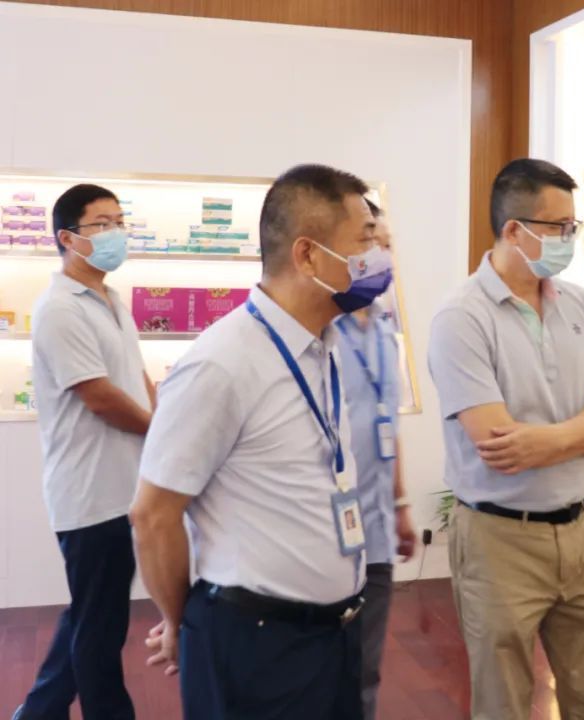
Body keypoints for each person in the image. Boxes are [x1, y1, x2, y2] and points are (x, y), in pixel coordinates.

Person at [129, 164, 390, 719]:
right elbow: (153, 516)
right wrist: (181, 623)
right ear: (308, 255)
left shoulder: (322, 345)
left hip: (333, 635)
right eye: (364, 241)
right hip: (256, 644)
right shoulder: (221, 363)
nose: (378, 258)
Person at [428, 158, 584, 720]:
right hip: (499, 539)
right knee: (503, 703)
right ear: (514, 229)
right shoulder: (461, 318)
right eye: (559, 226)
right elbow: (501, 447)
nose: (570, 238)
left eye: (573, 226)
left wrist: (554, 438)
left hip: (582, 531)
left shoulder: (578, 304)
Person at [14, 184, 154, 720]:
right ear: (68, 238)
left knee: (92, 610)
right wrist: (161, 434)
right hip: (90, 493)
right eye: (102, 224)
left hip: (124, 485)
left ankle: (40, 710)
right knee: (101, 627)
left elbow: (136, 379)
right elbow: (98, 397)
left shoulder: (111, 300)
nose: (116, 233)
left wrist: (166, 420)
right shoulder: (59, 309)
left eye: (120, 221)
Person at [335, 197, 418, 719]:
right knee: (325, 668)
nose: (383, 256)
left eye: (388, 245)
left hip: (378, 527)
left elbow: (389, 423)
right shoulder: (320, 331)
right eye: (371, 243)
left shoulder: (386, 326)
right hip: (328, 531)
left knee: (367, 667)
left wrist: (401, 504)